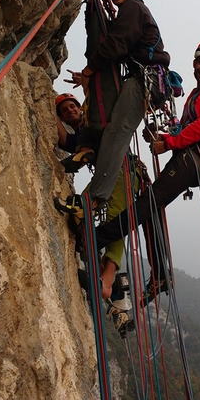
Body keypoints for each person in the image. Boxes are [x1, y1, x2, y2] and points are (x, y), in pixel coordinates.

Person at [91, 40, 200, 305]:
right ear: (194, 63)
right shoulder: (196, 96)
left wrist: (168, 143)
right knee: (152, 204)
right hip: (193, 159)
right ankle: (161, 273)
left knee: (148, 202)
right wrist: (163, 137)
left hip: (198, 160)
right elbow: (188, 128)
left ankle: (95, 239)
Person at [64, 0, 170, 207]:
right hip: (143, 79)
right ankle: (89, 148)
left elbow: (115, 44)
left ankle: (95, 199)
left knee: (116, 133)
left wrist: (89, 71)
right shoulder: (128, 12)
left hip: (144, 80)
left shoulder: (133, 8)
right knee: (113, 127)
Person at [54, 93, 138, 299]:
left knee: (114, 219)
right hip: (108, 174)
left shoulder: (94, 121)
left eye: (72, 106)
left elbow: (96, 96)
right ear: (63, 119)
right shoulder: (80, 137)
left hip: (124, 170)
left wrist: (86, 79)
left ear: (80, 107)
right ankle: (103, 277)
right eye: (64, 110)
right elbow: (64, 138)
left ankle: (107, 281)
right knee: (80, 209)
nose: (70, 110)